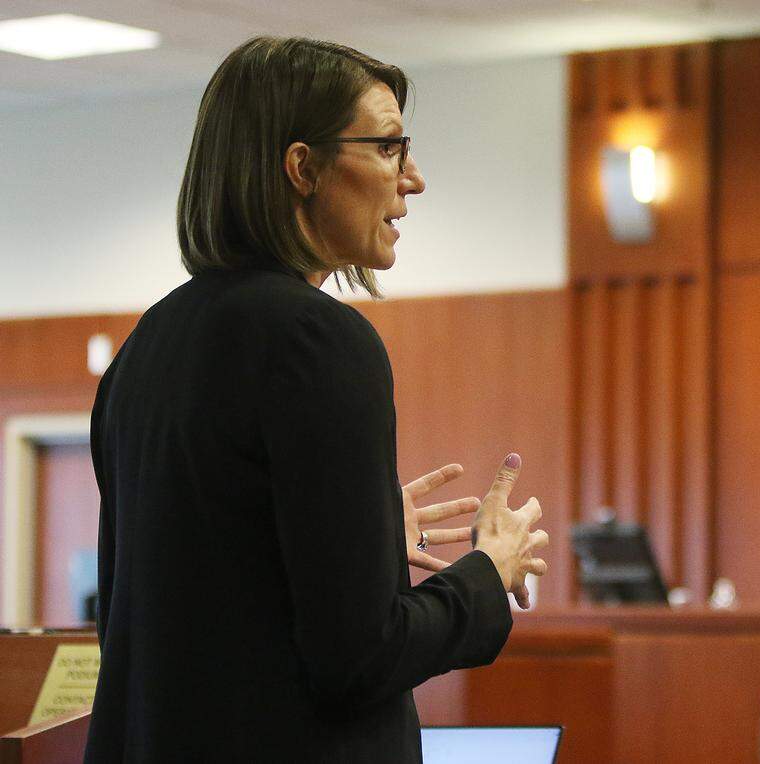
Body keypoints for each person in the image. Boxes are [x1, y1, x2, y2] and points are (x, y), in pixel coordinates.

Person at [84, 37, 548, 763]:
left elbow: (187, 614)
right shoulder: (319, 340)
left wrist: (360, 543)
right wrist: (489, 572)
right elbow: (359, 659)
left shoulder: (145, 346)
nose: (414, 179)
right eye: (389, 148)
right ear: (303, 167)